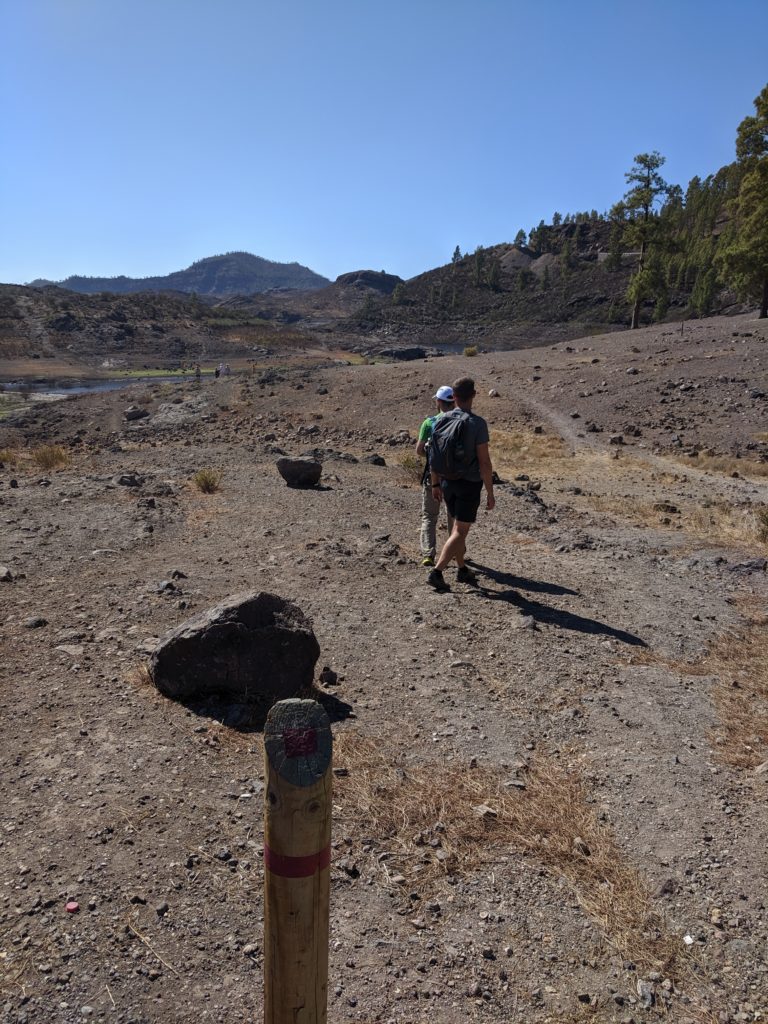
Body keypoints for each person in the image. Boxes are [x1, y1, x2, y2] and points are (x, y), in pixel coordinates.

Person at [427, 377, 495, 591]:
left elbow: (433, 455)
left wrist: (435, 484)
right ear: (474, 395)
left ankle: (462, 568)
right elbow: (484, 462)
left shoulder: (441, 419)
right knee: (460, 530)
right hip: (469, 484)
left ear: (454, 397)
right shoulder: (477, 424)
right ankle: (437, 572)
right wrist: (490, 492)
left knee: (457, 526)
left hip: (447, 482)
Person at [415, 385, 455, 566]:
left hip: (433, 477)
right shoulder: (461, 422)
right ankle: (454, 552)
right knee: (453, 516)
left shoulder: (429, 423)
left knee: (430, 516)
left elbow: (419, 450)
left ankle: (428, 554)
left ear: (438, 402)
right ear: (453, 402)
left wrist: (433, 456)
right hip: (454, 478)